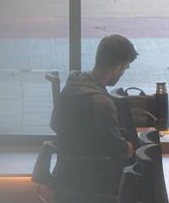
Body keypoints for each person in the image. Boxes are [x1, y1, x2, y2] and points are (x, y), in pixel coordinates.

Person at [50, 34, 138, 192]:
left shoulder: (73, 83)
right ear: (116, 67)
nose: (122, 73)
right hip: (95, 180)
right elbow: (119, 150)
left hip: (68, 176)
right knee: (144, 172)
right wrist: (128, 147)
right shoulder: (101, 102)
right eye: (124, 68)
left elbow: (54, 124)